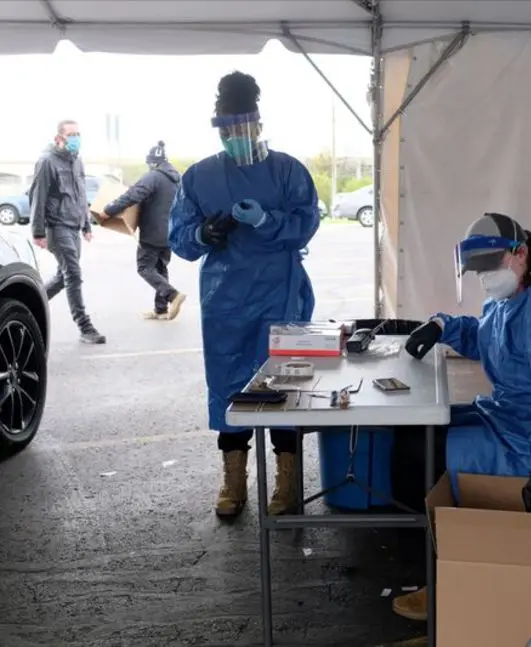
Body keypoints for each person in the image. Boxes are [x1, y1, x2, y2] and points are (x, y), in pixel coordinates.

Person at [391, 212, 531, 621]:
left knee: (417, 454)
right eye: (477, 269)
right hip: (508, 418)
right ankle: (440, 558)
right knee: (415, 432)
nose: (484, 276)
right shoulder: (513, 297)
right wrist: (443, 326)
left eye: (490, 265)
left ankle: (443, 574)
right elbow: (490, 340)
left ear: (521, 254)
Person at [169, 71, 320, 518]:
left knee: (284, 389)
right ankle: (234, 483)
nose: (236, 136)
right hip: (227, 303)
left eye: (243, 127)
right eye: (227, 129)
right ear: (218, 128)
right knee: (230, 391)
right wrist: (204, 232)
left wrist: (264, 221)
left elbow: (305, 224)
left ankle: (287, 486)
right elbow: (180, 239)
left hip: (281, 297)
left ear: (258, 122)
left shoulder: (288, 171)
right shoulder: (199, 177)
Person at [29, 119, 105, 344]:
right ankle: (85, 326)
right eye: (71, 134)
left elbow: (81, 196)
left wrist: (87, 225)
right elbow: (38, 196)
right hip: (56, 226)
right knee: (73, 274)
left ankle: (30, 305)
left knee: (64, 277)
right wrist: (38, 231)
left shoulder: (77, 161)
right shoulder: (46, 162)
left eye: (78, 134)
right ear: (58, 138)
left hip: (73, 225)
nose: (76, 139)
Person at [102, 140, 187, 321]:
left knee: (144, 267)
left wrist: (110, 209)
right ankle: (161, 309)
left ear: (152, 162)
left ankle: (173, 295)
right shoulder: (177, 178)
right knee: (160, 268)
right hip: (171, 233)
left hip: (152, 233)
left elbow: (133, 195)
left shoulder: (154, 177)